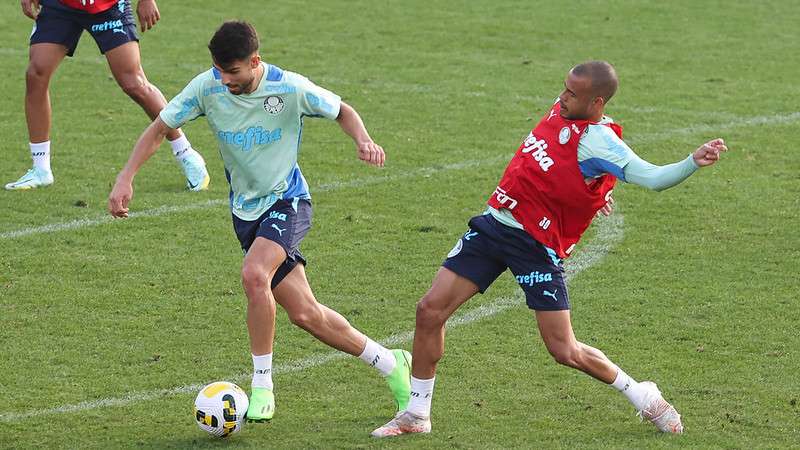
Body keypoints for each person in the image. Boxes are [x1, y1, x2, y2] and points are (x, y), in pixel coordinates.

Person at [372, 61, 728, 437]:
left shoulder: (600, 141)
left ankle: (642, 394)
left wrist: (691, 162)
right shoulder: (563, 111)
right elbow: (558, 169)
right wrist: (596, 192)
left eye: (573, 94)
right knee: (429, 311)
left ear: (597, 102)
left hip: (535, 247)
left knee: (564, 349)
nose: (562, 97)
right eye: (564, 88)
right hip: (496, 225)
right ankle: (416, 414)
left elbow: (652, 178)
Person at [108, 20, 411, 422]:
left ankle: (262, 384)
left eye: (232, 72)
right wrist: (125, 177)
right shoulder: (207, 87)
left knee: (254, 275)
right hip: (245, 213)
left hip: (288, 200)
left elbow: (343, 110)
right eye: (219, 71)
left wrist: (364, 140)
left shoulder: (289, 89)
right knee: (306, 315)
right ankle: (392, 363)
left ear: (255, 62)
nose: (225, 80)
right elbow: (161, 127)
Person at [6, 0, 209, 191]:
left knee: (134, 83)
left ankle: (186, 154)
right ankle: (41, 169)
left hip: (107, 6)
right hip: (62, 5)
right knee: (36, 73)